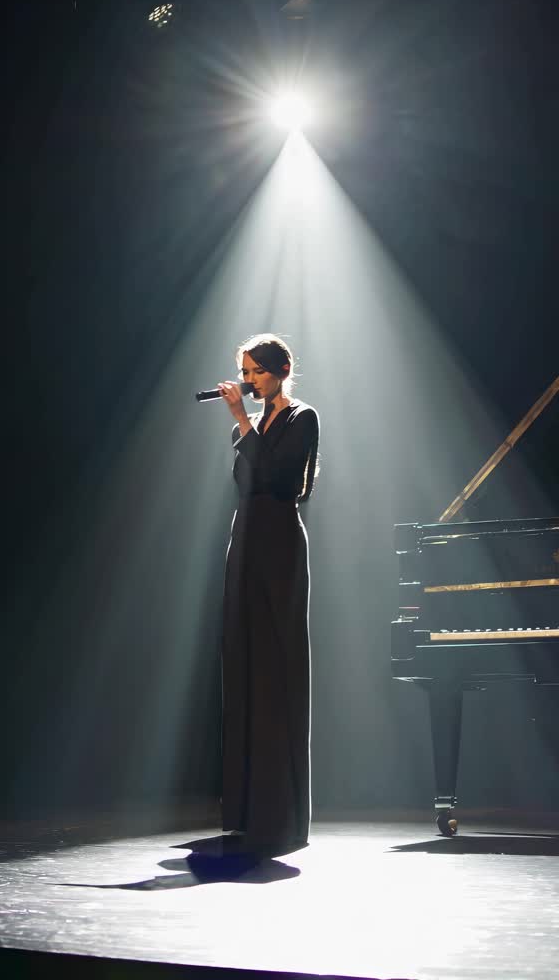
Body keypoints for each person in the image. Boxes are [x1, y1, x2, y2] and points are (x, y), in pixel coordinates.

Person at [217, 333, 319, 856]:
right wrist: (246, 427)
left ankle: (281, 811)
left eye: (256, 371)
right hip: (249, 538)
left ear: (280, 369)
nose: (249, 380)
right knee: (245, 661)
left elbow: (280, 480)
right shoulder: (258, 423)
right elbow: (243, 482)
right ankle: (245, 808)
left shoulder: (302, 416)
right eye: (245, 372)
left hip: (279, 542)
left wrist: (240, 422)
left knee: (277, 665)